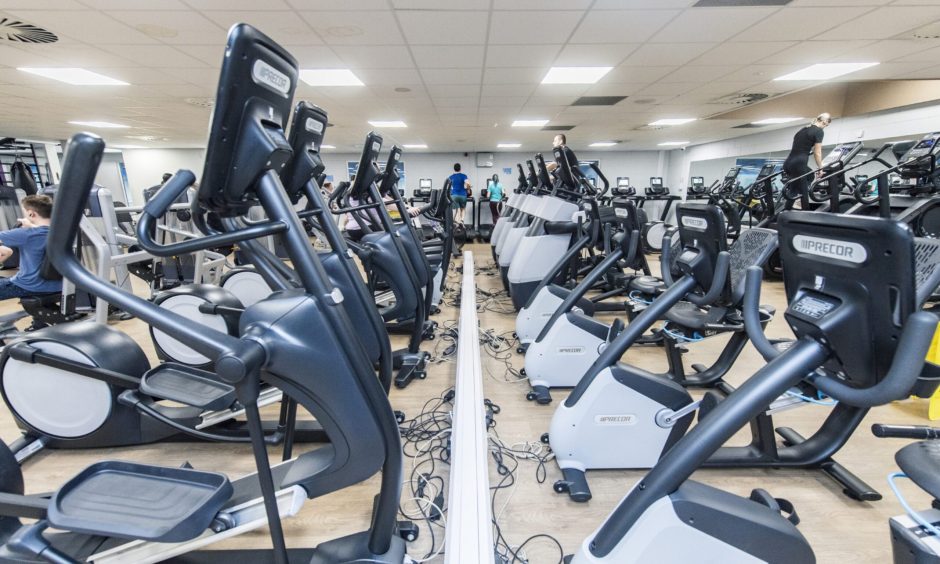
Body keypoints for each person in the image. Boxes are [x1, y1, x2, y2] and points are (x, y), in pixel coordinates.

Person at [0, 195, 61, 300]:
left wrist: (29, 229)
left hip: (29, 286)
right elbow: (43, 232)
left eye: (24, 213)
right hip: (58, 285)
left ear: (31, 214)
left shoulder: (27, 234)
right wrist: (32, 227)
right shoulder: (61, 232)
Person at [783, 113, 832, 205]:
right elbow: (817, 152)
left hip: (788, 163)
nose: (825, 127)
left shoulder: (803, 129)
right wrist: (820, 168)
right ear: (824, 121)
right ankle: (800, 206)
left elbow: (801, 147)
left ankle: (782, 212)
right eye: (826, 125)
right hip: (799, 163)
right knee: (804, 189)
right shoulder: (819, 131)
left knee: (803, 181)